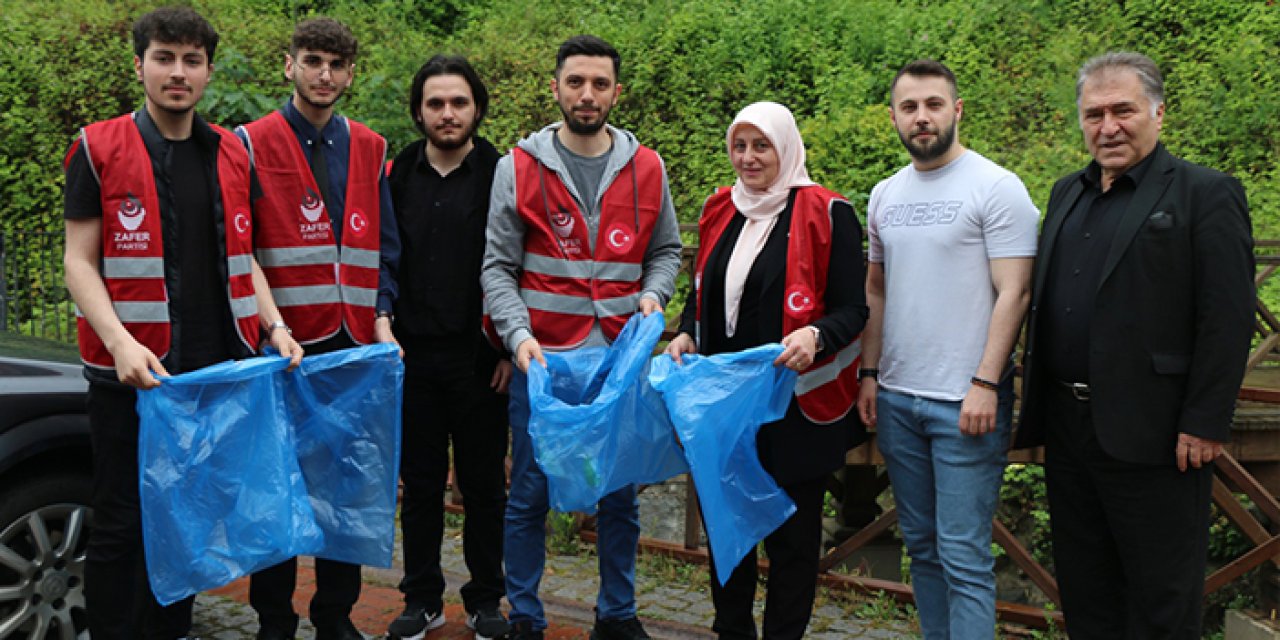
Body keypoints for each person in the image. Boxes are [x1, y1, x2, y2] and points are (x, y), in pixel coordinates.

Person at [62, 6, 302, 638]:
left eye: (191, 60)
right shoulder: (97, 147)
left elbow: (245, 256)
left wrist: (275, 326)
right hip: (131, 378)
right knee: (121, 524)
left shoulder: (232, 152)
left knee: (188, 521)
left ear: (207, 71)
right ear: (139, 65)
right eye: (164, 58)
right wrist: (120, 343)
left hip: (212, 377)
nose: (178, 72)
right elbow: (78, 261)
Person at [1015, 52, 1254, 639]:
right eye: (1094, 114)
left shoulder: (1205, 192)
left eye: (1123, 110)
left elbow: (1227, 316)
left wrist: (1205, 419)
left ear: (1158, 113)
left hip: (1158, 431)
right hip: (1069, 426)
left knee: (1160, 597)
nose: (1108, 127)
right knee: (1086, 591)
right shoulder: (1065, 193)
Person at [480, 34, 682, 640]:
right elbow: (498, 267)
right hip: (542, 360)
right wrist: (517, 336)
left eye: (599, 84)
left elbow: (666, 252)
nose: (587, 94)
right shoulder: (518, 167)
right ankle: (526, 614)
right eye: (576, 82)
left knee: (619, 495)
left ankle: (617, 614)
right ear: (556, 88)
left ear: (617, 92)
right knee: (529, 493)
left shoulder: (648, 168)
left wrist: (654, 295)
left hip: (618, 362)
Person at [665, 101, 868, 640]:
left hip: (796, 409)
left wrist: (816, 335)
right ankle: (732, 632)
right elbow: (703, 292)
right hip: (727, 409)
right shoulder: (720, 208)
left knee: (792, 544)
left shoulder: (828, 212)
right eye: (740, 145)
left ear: (786, 147)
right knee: (727, 535)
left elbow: (854, 310)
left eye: (762, 146)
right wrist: (687, 330)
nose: (749, 157)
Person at [855, 59, 1038, 639]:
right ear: (893, 117)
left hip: (965, 404)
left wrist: (986, 382)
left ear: (956, 110)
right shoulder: (885, 194)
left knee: (963, 554)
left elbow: (1015, 292)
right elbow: (876, 289)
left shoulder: (997, 187)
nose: (922, 117)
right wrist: (869, 374)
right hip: (898, 399)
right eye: (909, 107)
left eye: (933, 104)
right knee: (923, 547)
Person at [236, 17, 401, 640]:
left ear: (350, 74)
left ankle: (335, 616)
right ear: (290, 65)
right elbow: (240, 249)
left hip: (354, 347)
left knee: (347, 491)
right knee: (275, 489)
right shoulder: (250, 143)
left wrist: (381, 316)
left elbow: (386, 248)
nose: (324, 75)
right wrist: (269, 326)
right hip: (280, 348)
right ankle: (274, 620)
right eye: (312, 61)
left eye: (335, 64)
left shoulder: (371, 147)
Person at [383, 54, 512, 640]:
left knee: (484, 487)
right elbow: (383, 258)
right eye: (435, 103)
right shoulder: (397, 174)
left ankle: (485, 600)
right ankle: (421, 598)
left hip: (481, 359)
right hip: (413, 357)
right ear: (418, 111)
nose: (447, 113)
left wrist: (508, 347)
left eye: (459, 102)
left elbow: (519, 263)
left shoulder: (502, 173)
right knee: (420, 486)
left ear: (477, 108)